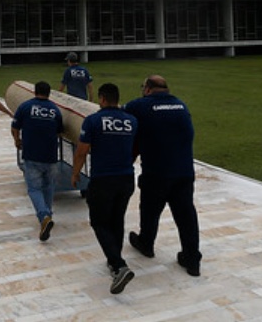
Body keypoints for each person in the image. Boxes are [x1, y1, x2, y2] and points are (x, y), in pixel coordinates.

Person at [123, 75, 202, 277]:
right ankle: (192, 259)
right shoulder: (181, 105)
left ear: (148, 89)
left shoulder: (138, 106)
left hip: (156, 172)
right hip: (184, 172)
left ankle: (146, 243)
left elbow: (120, 119)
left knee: (149, 210)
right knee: (186, 217)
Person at [72, 82, 138, 294]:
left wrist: (75, 174)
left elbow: (82, 152)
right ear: (117, 98)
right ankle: (114, 260)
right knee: (116, 220)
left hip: (103, 180)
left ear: (101, 99)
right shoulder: (132, 121)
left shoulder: (92, 121)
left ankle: (119, 266)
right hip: (126, 178)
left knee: (99, 221)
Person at [11, 81, 64, 242]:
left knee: (34, 189)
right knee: (48, 187)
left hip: (32, 155)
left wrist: (17, 140)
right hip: (50, 156)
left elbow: (15, 126)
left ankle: (44, 216)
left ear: (34, 92)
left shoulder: (25, 107)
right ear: (49, 93)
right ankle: (48, 214)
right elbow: (60, 131)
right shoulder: (55, 110)